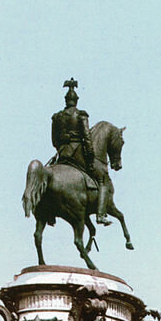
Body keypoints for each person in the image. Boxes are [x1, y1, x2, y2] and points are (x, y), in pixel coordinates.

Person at [51, 79, 113, 226]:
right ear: (76, 101)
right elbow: (86, 137)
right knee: (102, 179)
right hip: (77, 153)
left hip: (62, 154)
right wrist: (90, 155)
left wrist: (62, 145)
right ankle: (101, 215)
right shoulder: (81, 115)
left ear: (66, 100)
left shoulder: (57, 117)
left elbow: (54, 141)